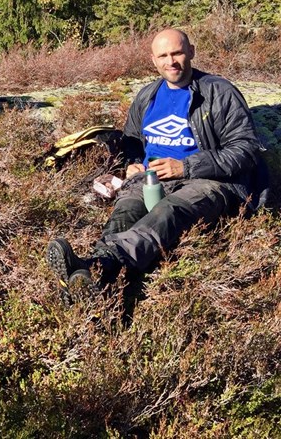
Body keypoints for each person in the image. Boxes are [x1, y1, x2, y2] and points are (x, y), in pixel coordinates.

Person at [46, 28, 265, 304]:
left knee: (168, 211)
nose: (171, 61)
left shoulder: (219, 92)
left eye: (177, 53)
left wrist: (185, 167)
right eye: (163, 55)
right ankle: (95, 285)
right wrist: (131, 165)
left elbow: (246, 150)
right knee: (126, 210)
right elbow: (133, 143)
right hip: (151, 180)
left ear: (191, 52)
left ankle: (99, 267)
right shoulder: (147, 96)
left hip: (209, 182)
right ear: (153, 60)